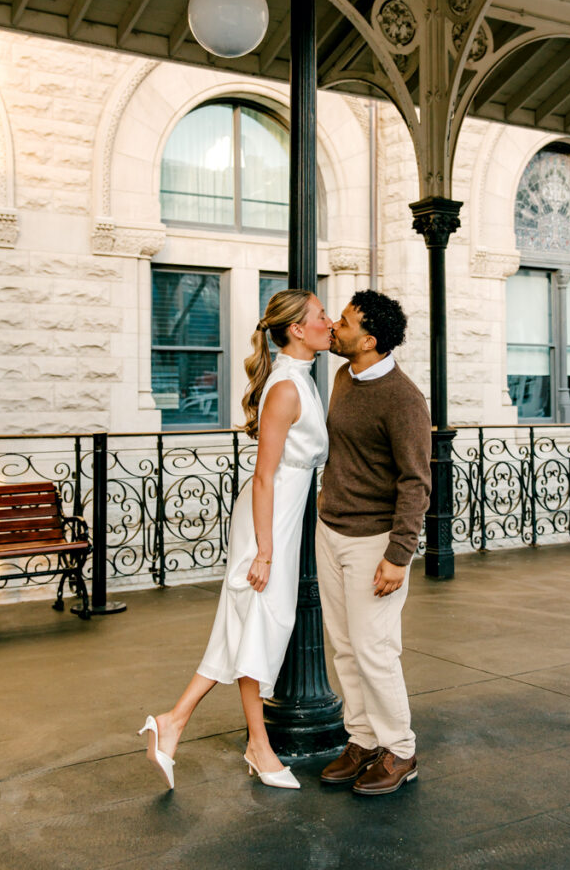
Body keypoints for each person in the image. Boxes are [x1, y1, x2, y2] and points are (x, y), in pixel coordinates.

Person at [140, 289, 332, 791]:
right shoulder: (286, 387)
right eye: (321, 315)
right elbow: (264, 475)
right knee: (260, 623)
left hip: (282, 516)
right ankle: (256, 745)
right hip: (268, 519)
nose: (330, 322)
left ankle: (175, 722)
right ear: (297, 329)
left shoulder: (302, 380)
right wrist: (265, 551)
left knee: (248, 625)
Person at [317, 290, 431, 796]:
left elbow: (416, 482)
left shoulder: (404, 399)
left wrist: (398, 555)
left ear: (369, 341)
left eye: (344, 322)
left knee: (374, 649)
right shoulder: (344, 376)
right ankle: (362, 739)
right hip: (331, 530)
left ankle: (400, 750)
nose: (334, 326)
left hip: (374, 542)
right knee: (345, 647)